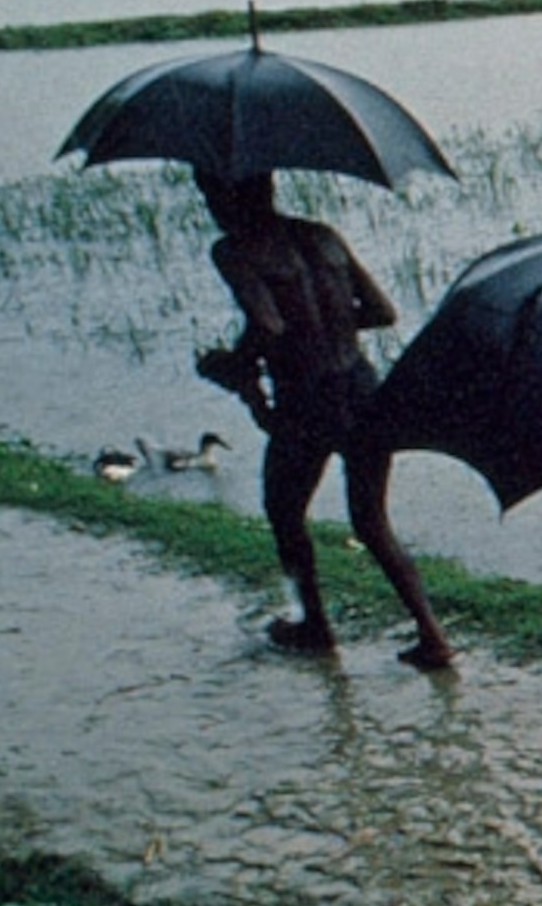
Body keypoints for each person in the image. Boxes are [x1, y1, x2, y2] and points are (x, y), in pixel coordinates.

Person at [192, 170, 453, 668]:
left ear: (231, 195)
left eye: (210, 193)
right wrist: (327, 324)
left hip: (308, 399)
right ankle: (432, 634)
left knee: (284, 512)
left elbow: (269, 325)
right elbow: (382, 311)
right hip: (363, 387)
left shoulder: (235, 250)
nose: (209, 205)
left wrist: (233, 365)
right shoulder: (322, 236)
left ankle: (315, 625)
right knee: (373, 521)